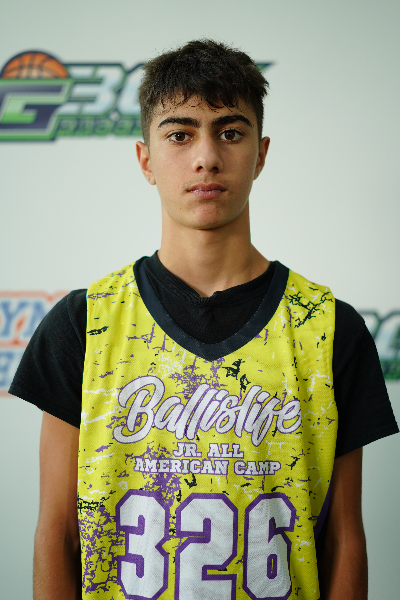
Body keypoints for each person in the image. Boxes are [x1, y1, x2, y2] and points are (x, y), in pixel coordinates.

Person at [10, 39, 398, 600]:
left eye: (231, 132)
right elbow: (58, 533)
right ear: (146, 159)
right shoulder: (84, 322)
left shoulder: (327, 326)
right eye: (180, 134)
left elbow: (343, 538)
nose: (206, 157)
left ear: (261, 154)